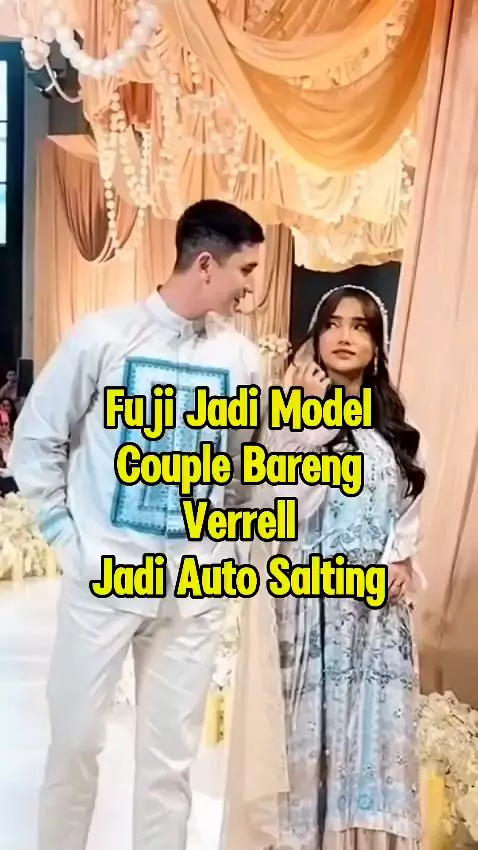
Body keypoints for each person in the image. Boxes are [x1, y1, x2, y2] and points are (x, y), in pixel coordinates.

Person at [10, 199, 267, 850]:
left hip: (192, 592)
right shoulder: (103, 337)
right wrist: (69, 541)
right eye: (245, 269)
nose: (251, 286)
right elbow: (36, 441)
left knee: (169, 766)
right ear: (205, 264)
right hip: (105, 580)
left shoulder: (241, 359)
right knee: (74, 746)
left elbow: (245, 472)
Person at [221, 285, 427, 850]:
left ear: (378, 346)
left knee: (371, 745)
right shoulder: (284, 414)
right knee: (308, 737)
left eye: (360, 327)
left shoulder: (396, 430)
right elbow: (270, 501)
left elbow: (407, 506)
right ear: (315, 338)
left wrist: (401, 556)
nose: (344, 336)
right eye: (333, 324)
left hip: (375, 618)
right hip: (308, 607)